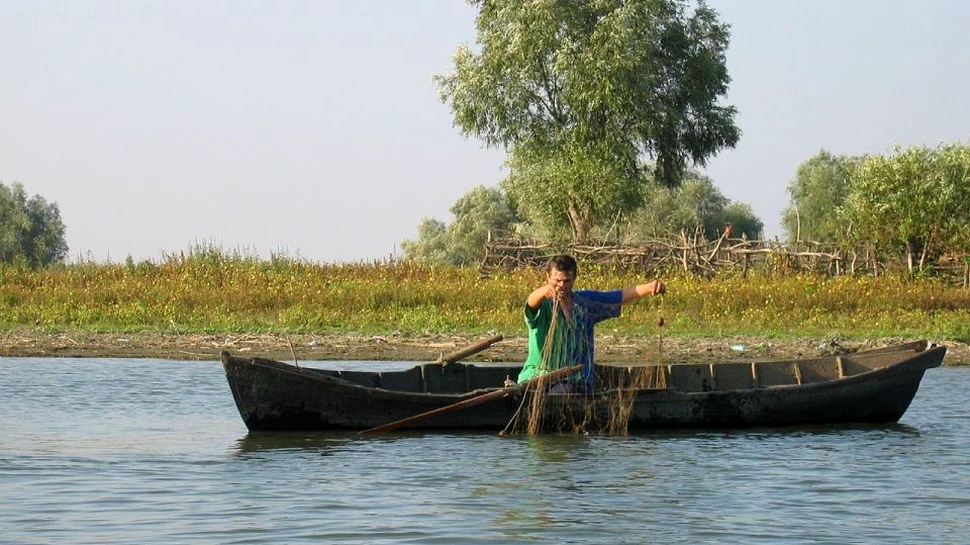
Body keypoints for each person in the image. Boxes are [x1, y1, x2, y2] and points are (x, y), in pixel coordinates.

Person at [518, 254, 665, 393]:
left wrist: (650, 287)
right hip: (536, 377)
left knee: (564, 391)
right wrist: (544, 291)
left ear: (574, 279)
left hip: (575, 379)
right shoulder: (543, 306)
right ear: (548, 277)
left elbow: (620, 296)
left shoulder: (585, 303)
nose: (561, 286)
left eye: (567, 281)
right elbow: (531, 302)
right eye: (557, 281)